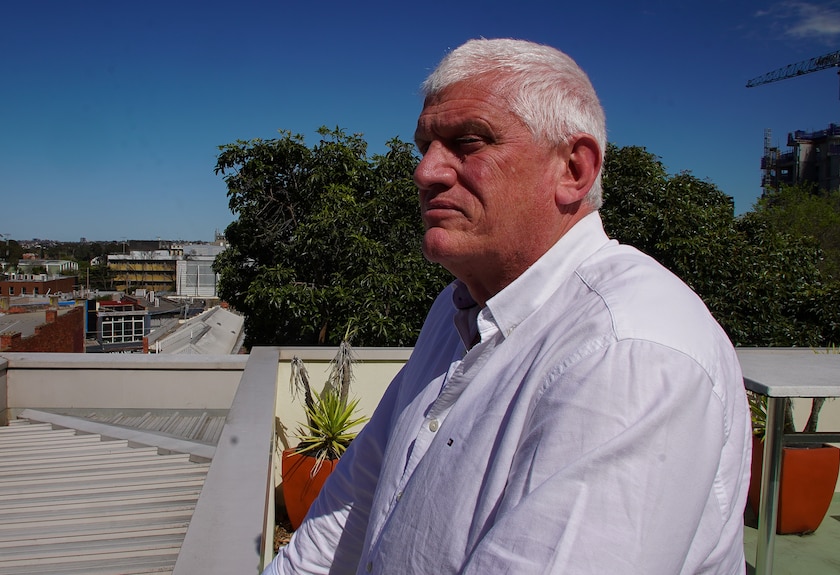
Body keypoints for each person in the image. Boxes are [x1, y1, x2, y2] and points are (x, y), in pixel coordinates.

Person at [264, 38, 751, 575]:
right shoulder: (456, 312)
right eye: (424, 145)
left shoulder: (629, 351)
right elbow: (355, 504)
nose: (426, 172)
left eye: (468, 142)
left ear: (574, 169)